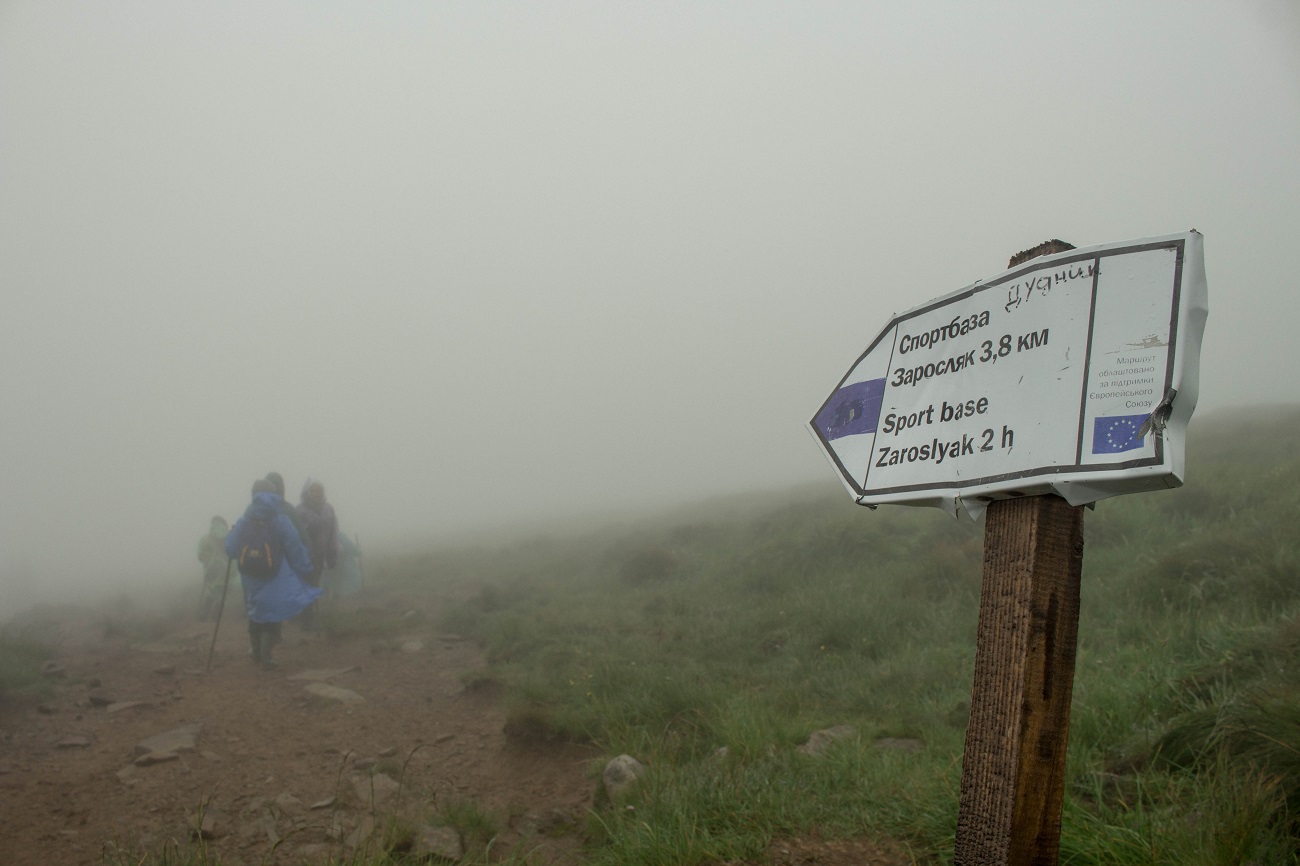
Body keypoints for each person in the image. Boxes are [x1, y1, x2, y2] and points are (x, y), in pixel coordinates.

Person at [225, 478, 321, 668]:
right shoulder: (280, 519)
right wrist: (304, 567)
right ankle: (266, 657)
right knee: (271, 611)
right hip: (274, 573)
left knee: (254, 611)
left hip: (249, 574)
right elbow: (294, 546)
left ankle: (256, 653)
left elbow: (230, 549)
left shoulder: (245, 519)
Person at [296, 477, 338, 630]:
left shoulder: (328, 509)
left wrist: (333, 551)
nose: (316, 493)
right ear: (307, 492)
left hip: (321, 556)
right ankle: (306, 620)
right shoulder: (300, 510)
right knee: (306, 586)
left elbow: (333, 531)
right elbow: (295, 534)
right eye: (313, 490)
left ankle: (311, 617)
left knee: (314, 585)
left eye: (319, 490)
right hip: (305, 556)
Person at [196, 516, 229, 621]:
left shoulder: (205, 539)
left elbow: (200, 555)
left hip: (210, 569)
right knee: (222, 592)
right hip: (226, 569)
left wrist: (207, 562)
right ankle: (215, 616)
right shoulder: (228, 535)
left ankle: (203, 614)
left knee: (210, 591)